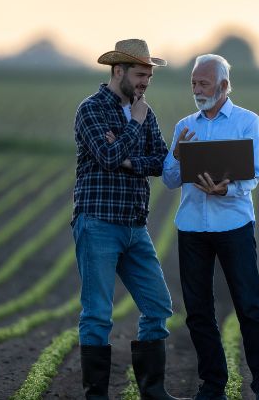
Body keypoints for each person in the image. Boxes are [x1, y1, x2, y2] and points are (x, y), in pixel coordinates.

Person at [72, 39, 185, 400]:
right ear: (118, 71)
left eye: (149, 76)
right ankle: (96, 396)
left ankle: (153, 392)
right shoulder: (91, 110)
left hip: (136, 226)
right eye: (140, 74)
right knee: (98, 315)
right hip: (98, 222)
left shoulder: (145, 113)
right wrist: (132, 129)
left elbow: (160, 161)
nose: (145, 82)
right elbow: (106, 156)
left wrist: (128, 158)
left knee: (158, 306)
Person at [162, 54, 259, 400]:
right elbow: (169, 179)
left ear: (224, 86)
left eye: (204, 83)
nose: (197, 90)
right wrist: (179, 154)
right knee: (197, 312)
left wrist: (225, 189)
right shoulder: (185, 125)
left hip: (234, 225)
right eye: (194, 83)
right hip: (192, 227)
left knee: (248, 306)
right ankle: (213, 386)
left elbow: (253, 174)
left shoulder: (247, 122)